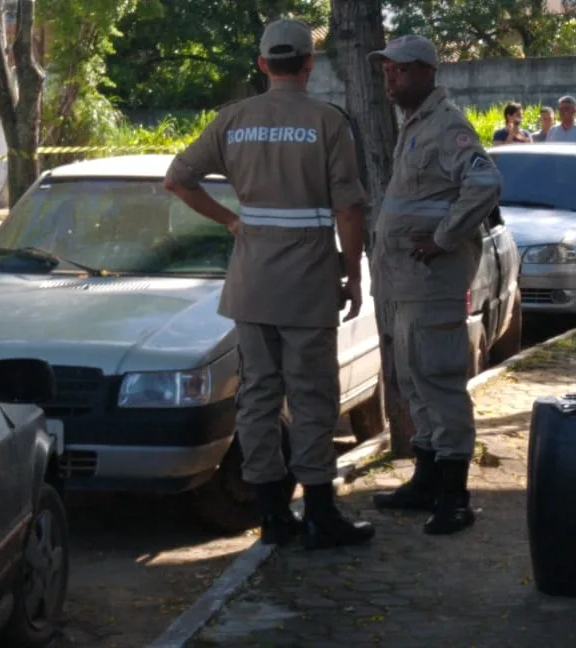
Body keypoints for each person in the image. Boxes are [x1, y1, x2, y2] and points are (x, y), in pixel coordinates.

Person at [163, 19, 375, 551]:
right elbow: (349, 209)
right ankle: (321, 513)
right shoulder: (327, 122)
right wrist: (352, 272)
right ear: (309, 63)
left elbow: (177, 179)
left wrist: (233, 221)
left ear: (262, 64)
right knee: (313, 397)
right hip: (308, 281)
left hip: (253, 280)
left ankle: (273, 516)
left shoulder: (233, 120)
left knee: (257, 397)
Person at [366, 34, 502, 536]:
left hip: (432, 282)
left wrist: (445, 237)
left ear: (426, 72)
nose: (390, 78)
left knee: (440, 382)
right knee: (414, 380)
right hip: (406, 284)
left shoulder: (446, 125)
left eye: (399, 70)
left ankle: (454, 497)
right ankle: (426, 482)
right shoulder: (415, 125)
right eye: (386, 70)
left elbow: (485, 183)